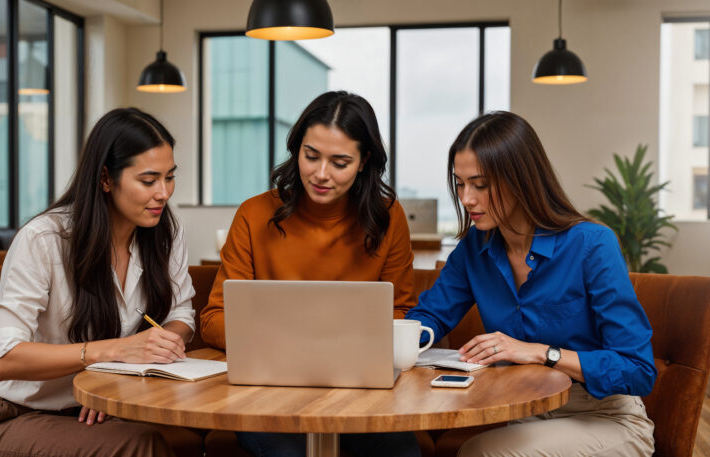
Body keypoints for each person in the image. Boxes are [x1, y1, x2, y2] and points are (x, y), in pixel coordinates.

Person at [405, 111, 657, 457]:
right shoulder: (473, 250)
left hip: (603, 417)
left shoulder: (592, 245)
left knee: (480, 453)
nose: (466, 198)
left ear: (521, 180)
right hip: (525, 411)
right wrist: (396, 340)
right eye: (460, 183)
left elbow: (637, 369)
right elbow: (432, 316)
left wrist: (539, 352)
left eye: (480, 184)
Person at [200, 91, 421, 457]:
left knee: (401, 451)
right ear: (296, 150)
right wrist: (293, 342)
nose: (320, 174)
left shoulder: (388, 217)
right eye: (311, 156)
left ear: (364, 161)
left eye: (340, 162)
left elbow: (401, 314)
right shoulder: (254, 215)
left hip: (357, 390)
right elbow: (214, 319)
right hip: (265, 394)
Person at [0, 108, 199, 457]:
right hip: (17, 416)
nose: (164, 193)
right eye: (149, 180)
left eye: (170, 177)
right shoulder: (44, 239)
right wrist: (115, 353)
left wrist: (119, 375)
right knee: (141, 445)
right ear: (106, 178)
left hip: (104, 407)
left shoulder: (166, 233)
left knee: (195, 433)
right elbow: (4, 359)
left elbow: (181, 316)